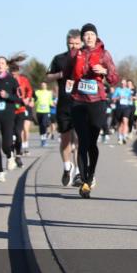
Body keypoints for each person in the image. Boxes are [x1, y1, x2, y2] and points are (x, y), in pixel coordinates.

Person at [63, 23, 120, 197]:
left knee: (92, 143)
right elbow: (66, 73)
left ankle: (91, 174)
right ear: (82, 38)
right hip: (79, 101)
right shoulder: (76, 54)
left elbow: (114, 78)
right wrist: (70, 78)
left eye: (91, 34)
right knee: (82, 142)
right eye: (85, 35)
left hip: (97, 102)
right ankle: (85, 181)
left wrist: (104, 71)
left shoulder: (104, 54)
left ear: (96, 37)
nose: (88, 37)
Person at [46, 30, 82, 187]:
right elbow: (47, 77)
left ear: (80, 43)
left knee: (80, 140)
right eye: (70, 43)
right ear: (66, 42)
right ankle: (68, 167)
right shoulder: (59, 59)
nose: (73, 46)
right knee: (65, 139)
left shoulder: (85, 57)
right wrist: (59, 74)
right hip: (64, 104)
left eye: (76, 43)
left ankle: (80, 173)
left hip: (81, 103)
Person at [9, 56, 32, 168]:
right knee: (10, 136)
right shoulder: (6, 81)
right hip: (9, 111)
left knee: (18, 134)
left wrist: (27, 98)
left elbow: (29, 90)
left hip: (21, 110)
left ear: (18, 72)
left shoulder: (23, 80)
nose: (13, 75)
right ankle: (11, 156)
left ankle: (18, 156)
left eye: (15, 73)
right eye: (11, 73)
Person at [34, 81, 53, 147]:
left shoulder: (49, 93)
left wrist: (53, 104)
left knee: (44, 124)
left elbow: (50, 101)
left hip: (46, 111)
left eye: (44, 85)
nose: (43, 86)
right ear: (40, 86)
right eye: (42, 85)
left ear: (46, 86)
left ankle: (44, 140)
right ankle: (42, 140)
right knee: (41, 126)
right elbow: (34, 101)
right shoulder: (37, 92)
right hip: (38, 111)